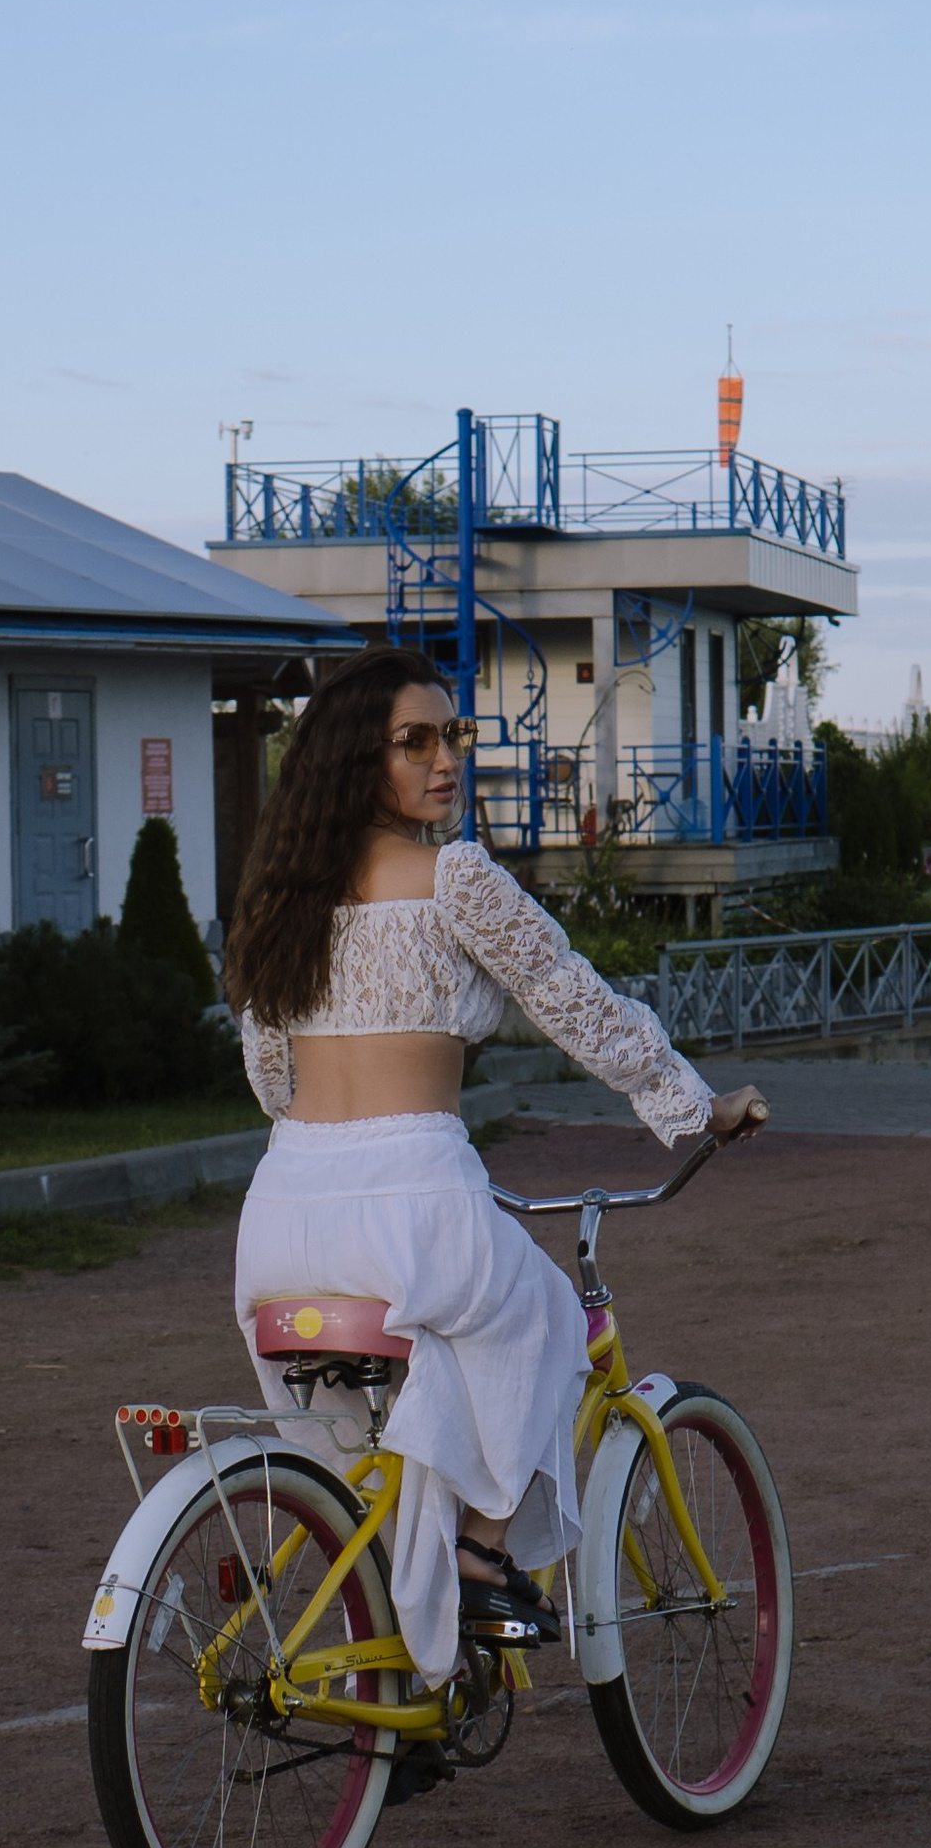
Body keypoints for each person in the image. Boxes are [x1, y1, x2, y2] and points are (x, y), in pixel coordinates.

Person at [227, 643, 762, 1713]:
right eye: (414, 741)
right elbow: (576, 1001)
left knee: (367, 1456)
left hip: (280, 1214)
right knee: (550, 1321)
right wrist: (688, 1105)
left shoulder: (280, 899)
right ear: (352, 760)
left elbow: (268, 1071)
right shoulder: (455, 876)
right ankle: (478, 1557)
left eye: (454, 735)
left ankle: (393, 1668)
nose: (444, 759)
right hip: (415, 1199)